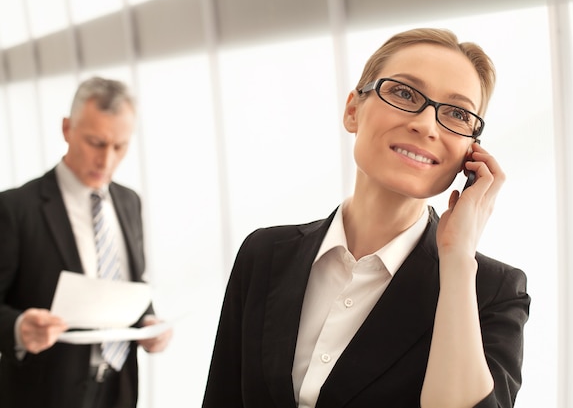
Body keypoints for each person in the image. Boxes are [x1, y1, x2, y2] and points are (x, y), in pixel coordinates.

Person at [202, 27, 530, 408]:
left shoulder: (493, 292)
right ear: (353, 110)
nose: (426, 125)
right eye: (404, 93)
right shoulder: (264, 253)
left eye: (457, 114)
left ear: (470, 153)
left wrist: (457, 259)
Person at [0, 77, 173, 408]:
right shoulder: (15, 209)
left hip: (118, 388)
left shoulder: (129, 202)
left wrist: (149, 321)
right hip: (43, 393)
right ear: (67, 129)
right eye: (96, 142)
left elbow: (130, 285)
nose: (106, 161)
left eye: (119, 146)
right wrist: (19, 329)